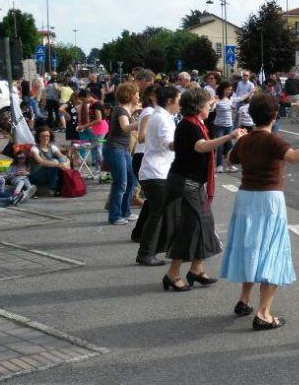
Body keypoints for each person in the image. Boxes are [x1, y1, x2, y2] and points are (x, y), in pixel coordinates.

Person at [222, 95, 299, 330]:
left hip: (245, 197)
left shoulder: (245, 140)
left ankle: (244, 300)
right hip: (268, 199)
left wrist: (239, 141)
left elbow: (229, 161)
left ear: (251, 116)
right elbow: (293, 157)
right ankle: (263, 313)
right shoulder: (273, 140)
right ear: (274, 116)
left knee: (250, 248)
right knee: (271, 251)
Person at [160, 88, 244, 292]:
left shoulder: (193, 124)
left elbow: (179, 146)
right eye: (207, 105)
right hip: (185, 182)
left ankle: (196, 269)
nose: (210, 108)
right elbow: (201, 146)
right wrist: (229, 136)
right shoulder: (190, 126)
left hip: (190, 182)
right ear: (198, 107)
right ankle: (172, 274)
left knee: (203, 224)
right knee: (191, 226)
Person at [134, 86, 179, 267]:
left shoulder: (161, 116)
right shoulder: (161, 118)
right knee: (157, 214)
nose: (179, 104)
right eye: (178, 100)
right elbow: (168, 143)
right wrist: (188, 143)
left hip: (156, 171)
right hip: (156, 172)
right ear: (169, 101)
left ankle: (151, 250)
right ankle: (146, 253)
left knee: (158, 213)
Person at [104, 82, 141, 226]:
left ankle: (125, 211)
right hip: (115, 149)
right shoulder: (120, 111)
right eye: (136, 94)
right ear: (130, 95)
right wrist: (142, 122)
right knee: (120, 183)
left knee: (131, 180)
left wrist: (137, 111)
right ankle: (115, 216)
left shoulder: (125, 109)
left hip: (121, 150)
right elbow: (125, 127)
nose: (138, 97)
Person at [28, 126, 71, 194]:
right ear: (38, 137)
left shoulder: (52, 147)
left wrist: (67, 163)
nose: (45, 138)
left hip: (49, 172)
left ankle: (64, 185)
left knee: (61, 160)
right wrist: (58, 164)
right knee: (55, 162)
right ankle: (52, 188)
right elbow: (41, 162)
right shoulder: (34, 149)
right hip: (36, 175)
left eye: (47, 136)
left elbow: (63, 157)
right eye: (43, 136)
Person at [211, 82, 237, 172]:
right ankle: (219, 166)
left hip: (229, 125)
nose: (230, 91)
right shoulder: (217, 99)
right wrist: (213, 101)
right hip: (219, 126)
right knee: (220, 146)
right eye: (228, 89)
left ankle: (230, 165)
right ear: (223, 89)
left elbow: (241, 98)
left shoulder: (230, 99)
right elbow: (211, 109)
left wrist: (251, 92)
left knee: (230, 145)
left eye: (230, 90)